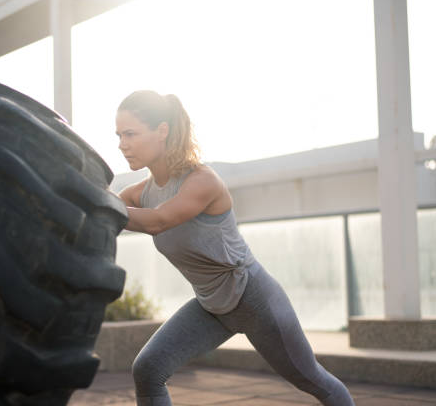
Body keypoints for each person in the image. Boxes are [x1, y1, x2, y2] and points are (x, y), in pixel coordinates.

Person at [115, 90, 355, 406]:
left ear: (162, 130)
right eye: (119, 135)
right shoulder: (141, 192)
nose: (122, 144)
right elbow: (108, 212)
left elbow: (157, 221)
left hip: (255, 299)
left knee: (312, 380)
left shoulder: (202, 181)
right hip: (211, 306)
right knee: (148, 368)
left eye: (130, 133)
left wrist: (100, 205)